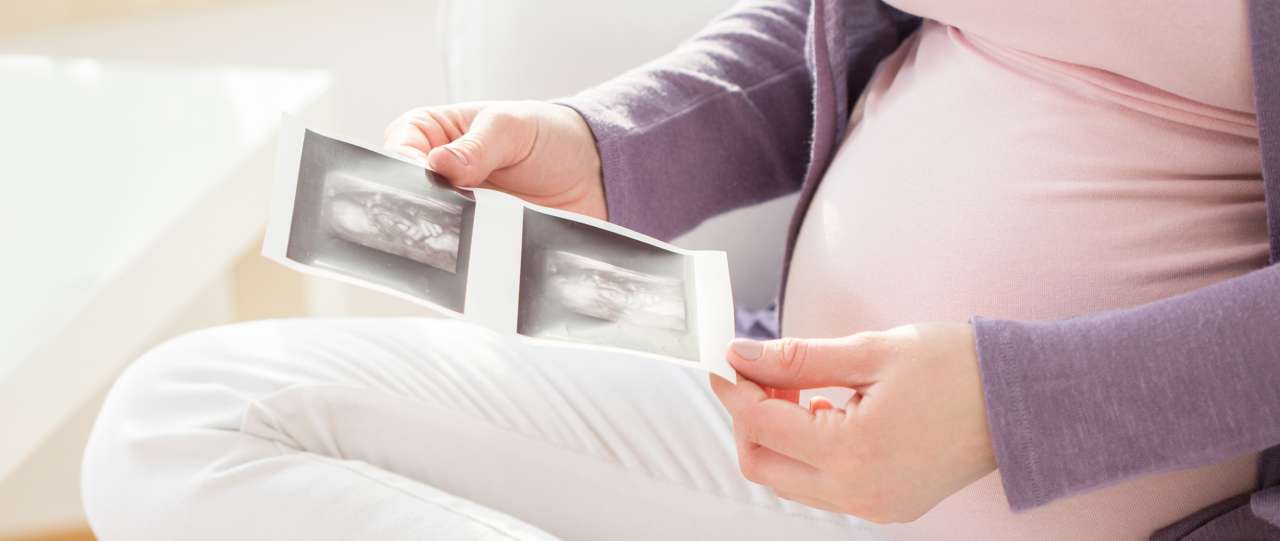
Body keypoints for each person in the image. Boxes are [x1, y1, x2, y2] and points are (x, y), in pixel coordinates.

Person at [82, 1, 1280, 539]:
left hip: (1091, 505)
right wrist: (605, 145)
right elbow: (842, 22)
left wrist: (1010, 412)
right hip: (763, 421)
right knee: (178, 420)